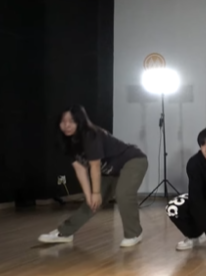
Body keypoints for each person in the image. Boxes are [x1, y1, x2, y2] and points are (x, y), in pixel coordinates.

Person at [39, 106, 148, 247]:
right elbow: (80, 169)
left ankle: (134, 233)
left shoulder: (91, 135)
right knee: (92, 202)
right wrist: (89, 195)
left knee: (123, 194)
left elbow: (95, 166)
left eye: (71, 121)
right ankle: (65, 233)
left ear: (80, 121)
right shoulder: (68, 142)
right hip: (110, 171)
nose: (67, 125)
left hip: (132, 161)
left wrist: (96, 192)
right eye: (63, 121)